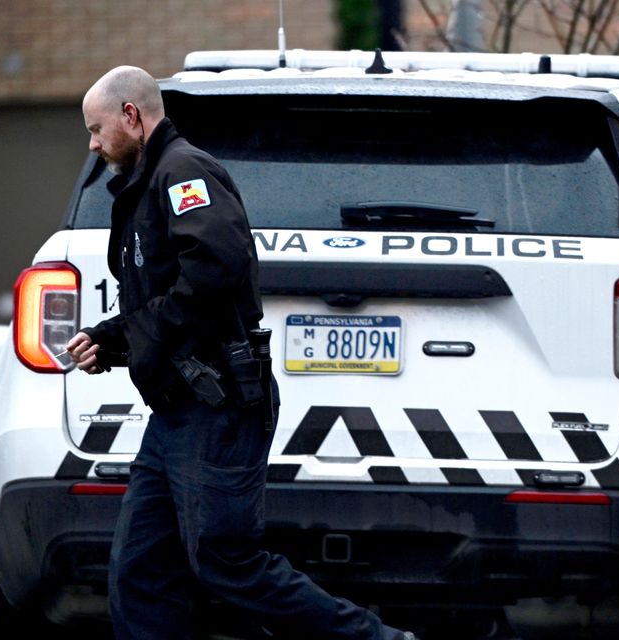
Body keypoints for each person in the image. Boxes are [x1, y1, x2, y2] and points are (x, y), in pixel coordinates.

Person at [66, 66, 413, 640]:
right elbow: (168, 294)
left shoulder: (182, 172)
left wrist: (132, 335)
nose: (94, 144)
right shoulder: (152, 180)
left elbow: (215, 270)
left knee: (228, 564)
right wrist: (113, 338)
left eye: (97, 129)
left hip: (217, 404)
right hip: (177, 411)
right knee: (141, 571)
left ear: (131, 115)